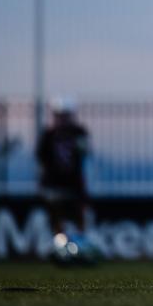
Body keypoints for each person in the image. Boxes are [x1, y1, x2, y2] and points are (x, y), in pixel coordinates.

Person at [36, 98, 90, 234]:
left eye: (65, 116)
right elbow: (41, 157)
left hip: (74, 182)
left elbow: (85, 153)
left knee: (78, 212)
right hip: (54, 183)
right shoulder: (48, 135)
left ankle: (80, 240)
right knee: (56, 213)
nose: (62, 119)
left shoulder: (79, 133)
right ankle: (60, 242)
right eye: (59, 115)